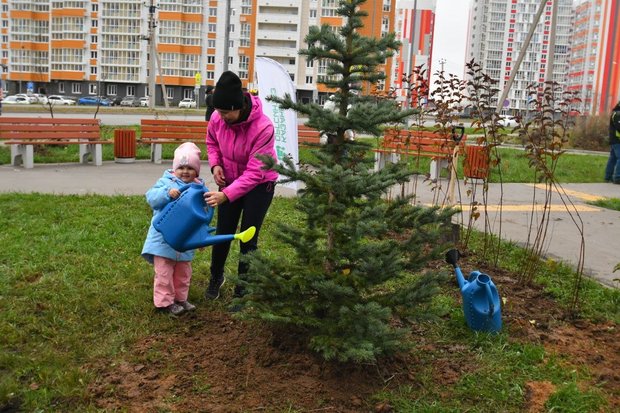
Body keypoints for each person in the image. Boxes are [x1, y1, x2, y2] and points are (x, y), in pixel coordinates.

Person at [203, 71, 278, 301]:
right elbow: (212, 142)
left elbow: (255, 173)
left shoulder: (264, 128)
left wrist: (226, 195)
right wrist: (216, 164)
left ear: (238, 106)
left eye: (226, 112)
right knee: (223, 233)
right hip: (230, 180)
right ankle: (216, 277)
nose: (221, 117)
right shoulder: (217, 118)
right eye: (218, 111)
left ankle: (242, 289)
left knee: (247, 236)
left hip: (260, 185)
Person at [141, 142, 205, 315]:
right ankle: (164, 303)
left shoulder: (199, 190)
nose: (185, 171)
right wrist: (167, 193)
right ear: (174, 168)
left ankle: (180, 299)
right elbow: (151, 198)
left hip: (185, 240)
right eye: (181, 167)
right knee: (164, 272)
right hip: (163, 239)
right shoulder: (166, 183)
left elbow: (202, 215)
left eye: (190, 168)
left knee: (183, 271)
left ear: (197, 171)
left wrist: (200, 237)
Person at [605, 101, 620, 184]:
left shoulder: (616, 113)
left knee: (613, 159)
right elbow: (619, 127)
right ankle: (618, 177)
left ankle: (608, 177)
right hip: (617, 140)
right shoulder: (617, 114)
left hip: (615, 140)